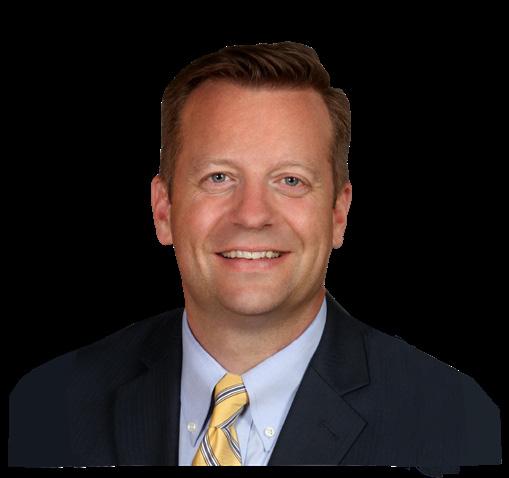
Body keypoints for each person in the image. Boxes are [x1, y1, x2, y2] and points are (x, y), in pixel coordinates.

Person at [8, 41, 500, 472]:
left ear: (338, 214)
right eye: (219, 177)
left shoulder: (452, 418)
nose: (252, 215)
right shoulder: (47, 405)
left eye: (290, 181)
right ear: (163, 209)